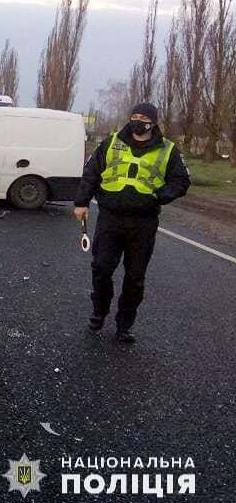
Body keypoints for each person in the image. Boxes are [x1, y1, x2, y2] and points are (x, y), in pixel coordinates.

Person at [73, 103, 190, 343]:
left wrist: (160, 196)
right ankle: (99, 313)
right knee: (102, 269)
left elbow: (181, 181)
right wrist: (81, 202)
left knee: (135, 277)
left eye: (143, 117)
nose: (137, 120)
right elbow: (92, 172)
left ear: (153, 123)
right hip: (110, 218)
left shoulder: (168, 149)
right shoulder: (112, 142)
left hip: (143, 222)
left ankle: (124, 325)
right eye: (134, 116)